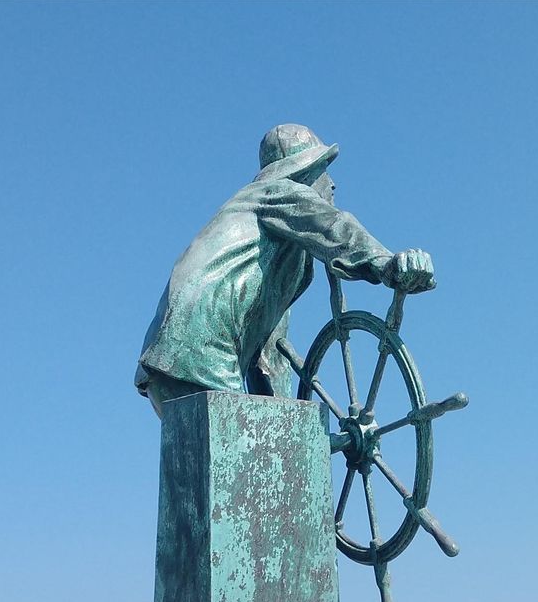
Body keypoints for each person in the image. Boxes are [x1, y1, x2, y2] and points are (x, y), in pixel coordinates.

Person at [136, 123, 436, 416]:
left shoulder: (269, 254)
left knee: (247, 460)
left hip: (172, 368)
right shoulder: (277, 193)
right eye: (323, 169)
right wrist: (388, 264)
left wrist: (286, 422)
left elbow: (268, 357)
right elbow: (334, 227)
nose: (332, 183)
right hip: (198, 357)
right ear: (302, 172)